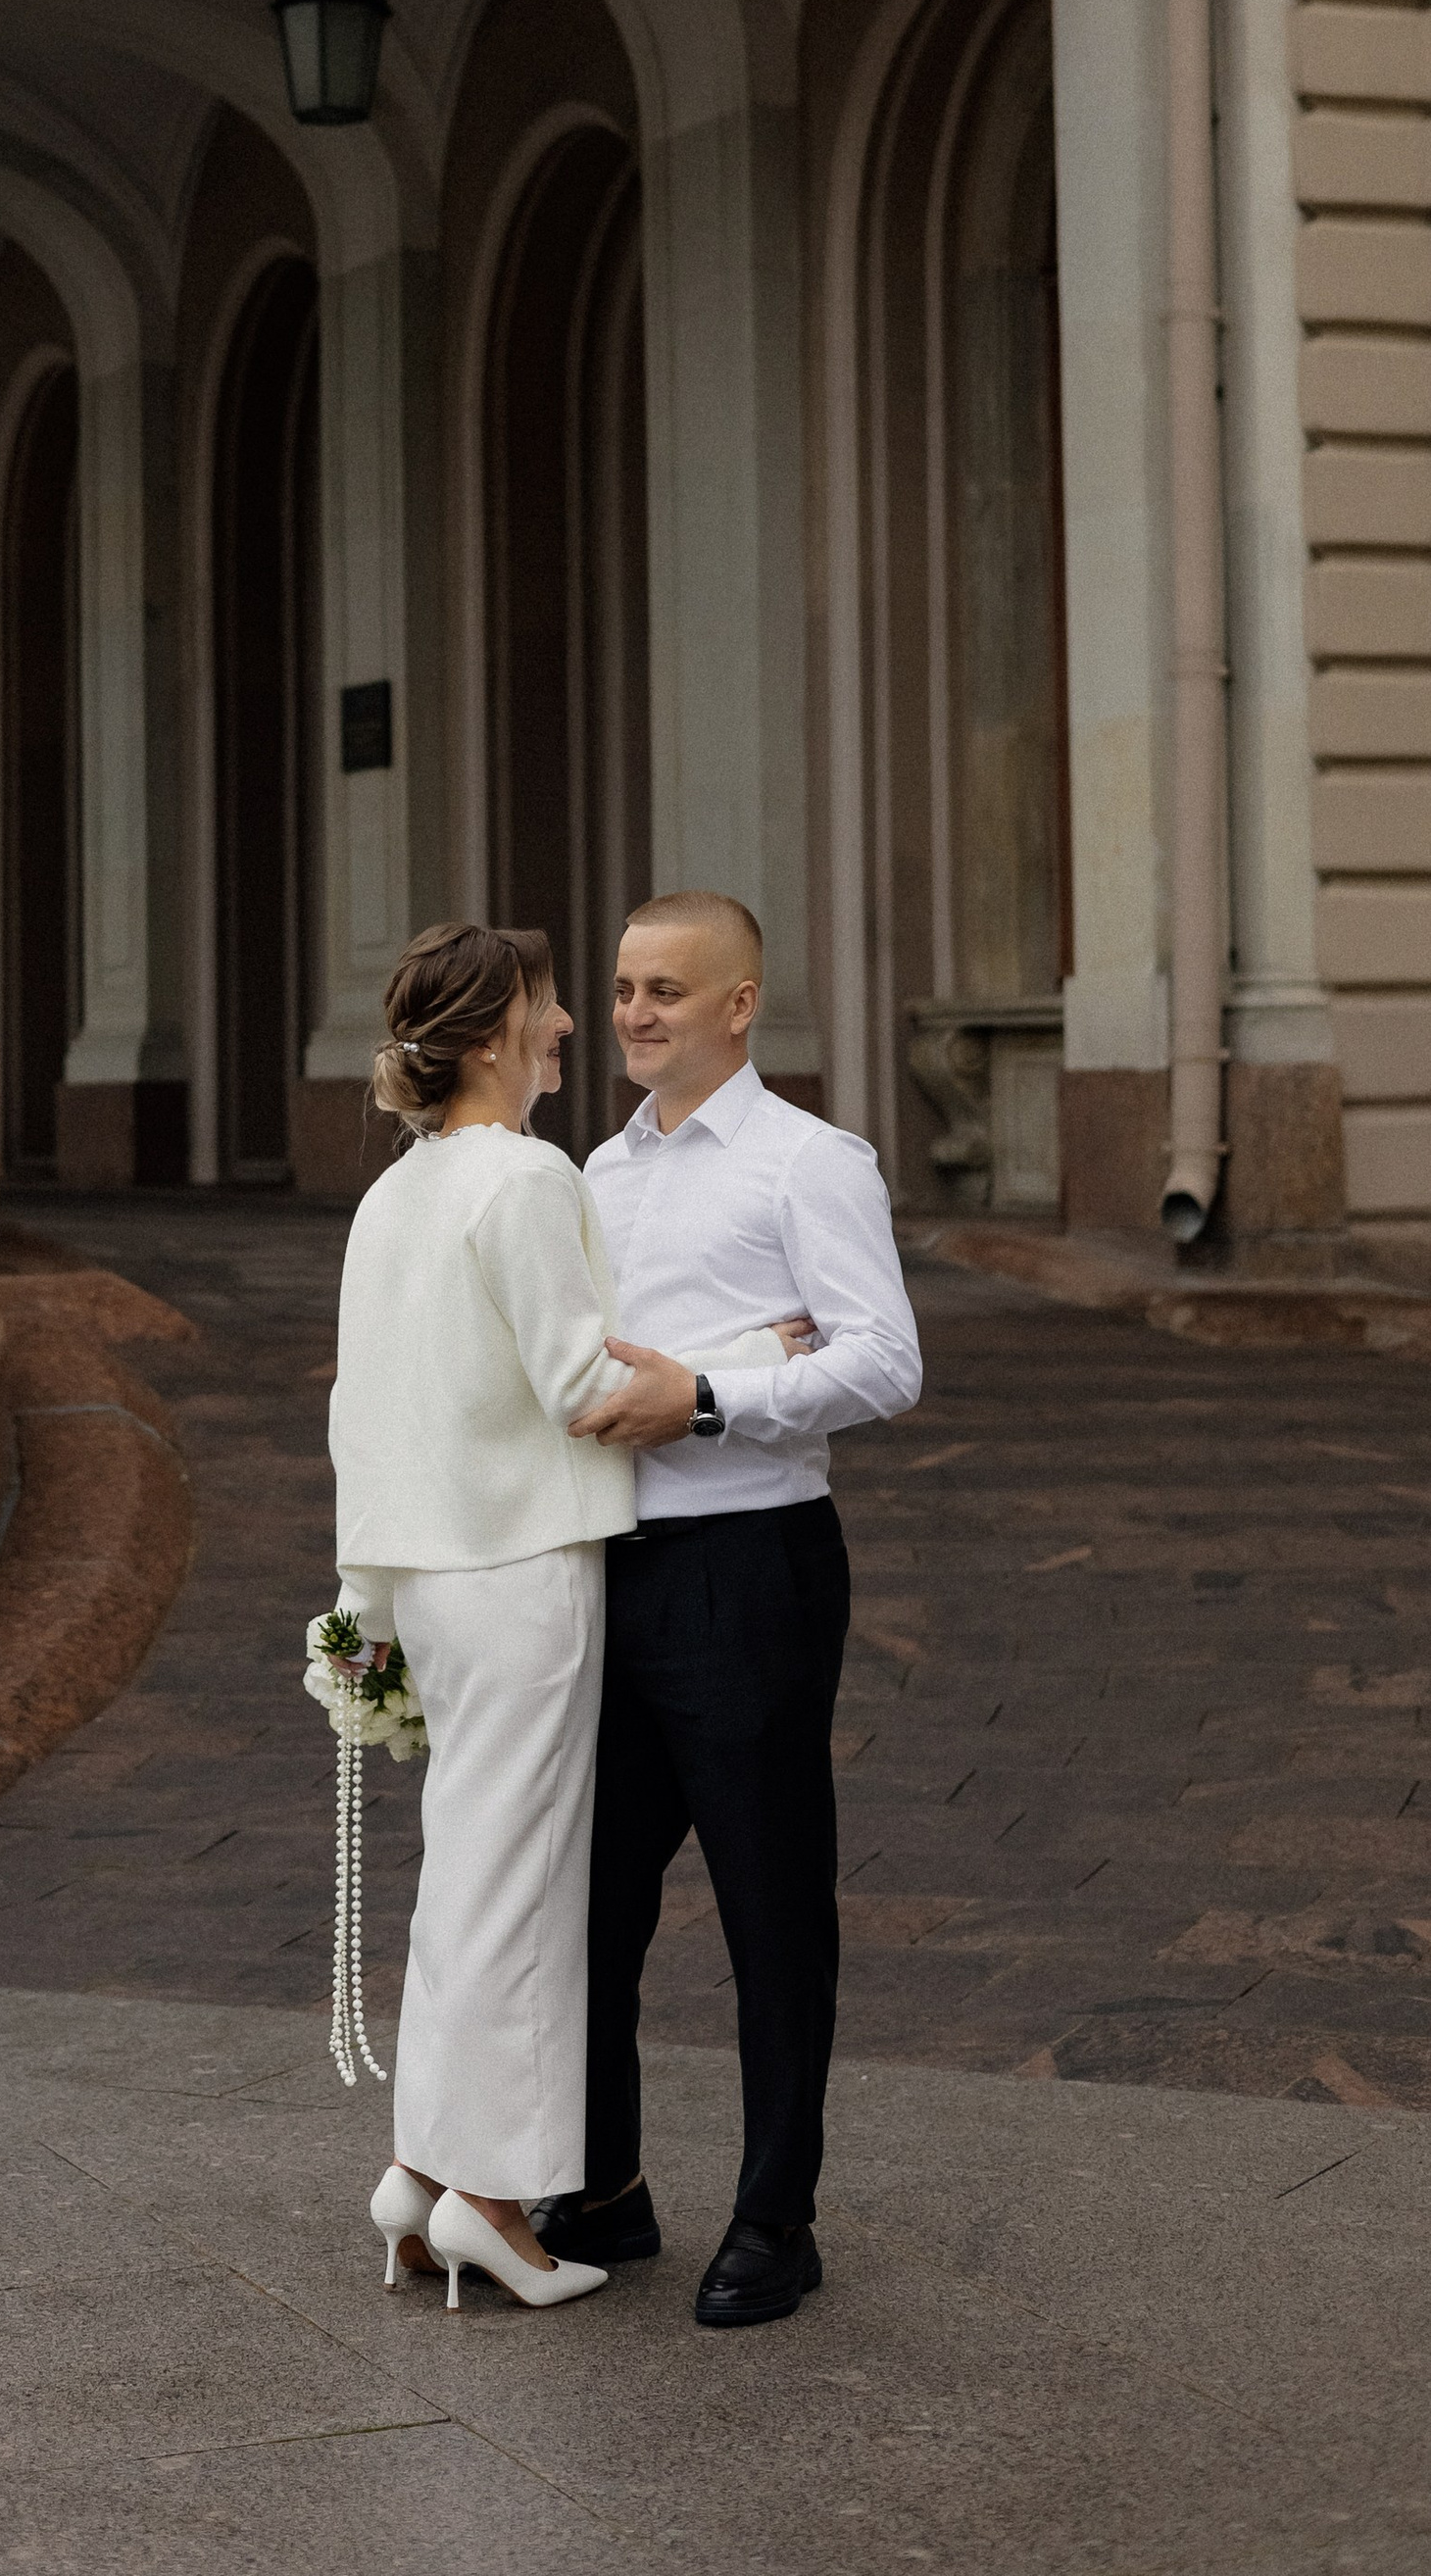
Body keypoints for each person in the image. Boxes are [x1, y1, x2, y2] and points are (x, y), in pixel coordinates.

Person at [330, 919, 801, 2313]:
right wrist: (747, 1356)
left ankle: (421, 2175)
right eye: (546, 1005)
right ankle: (487, 2199)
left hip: (427, 1577)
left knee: (465, 1874)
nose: (569, 1026)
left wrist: (362, 1609)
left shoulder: (393, 1193)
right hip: (525, 1571)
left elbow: (360, 1416)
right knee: (523, 1889)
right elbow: (586, 1388)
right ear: (492, 1037)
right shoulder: (527, 1176)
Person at [531, 890, 923, 2330]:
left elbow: (886, 1362)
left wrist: (707, 1395)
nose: (633, 1013)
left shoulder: (809, 1162)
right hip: (613, 1565)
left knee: (769, 1902)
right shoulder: (597, 1170)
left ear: (741, 1005)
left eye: (668, 991)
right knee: (591, 1900)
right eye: (624, 987)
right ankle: (608, 2187)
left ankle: (776, 2218)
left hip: (752, 1568)